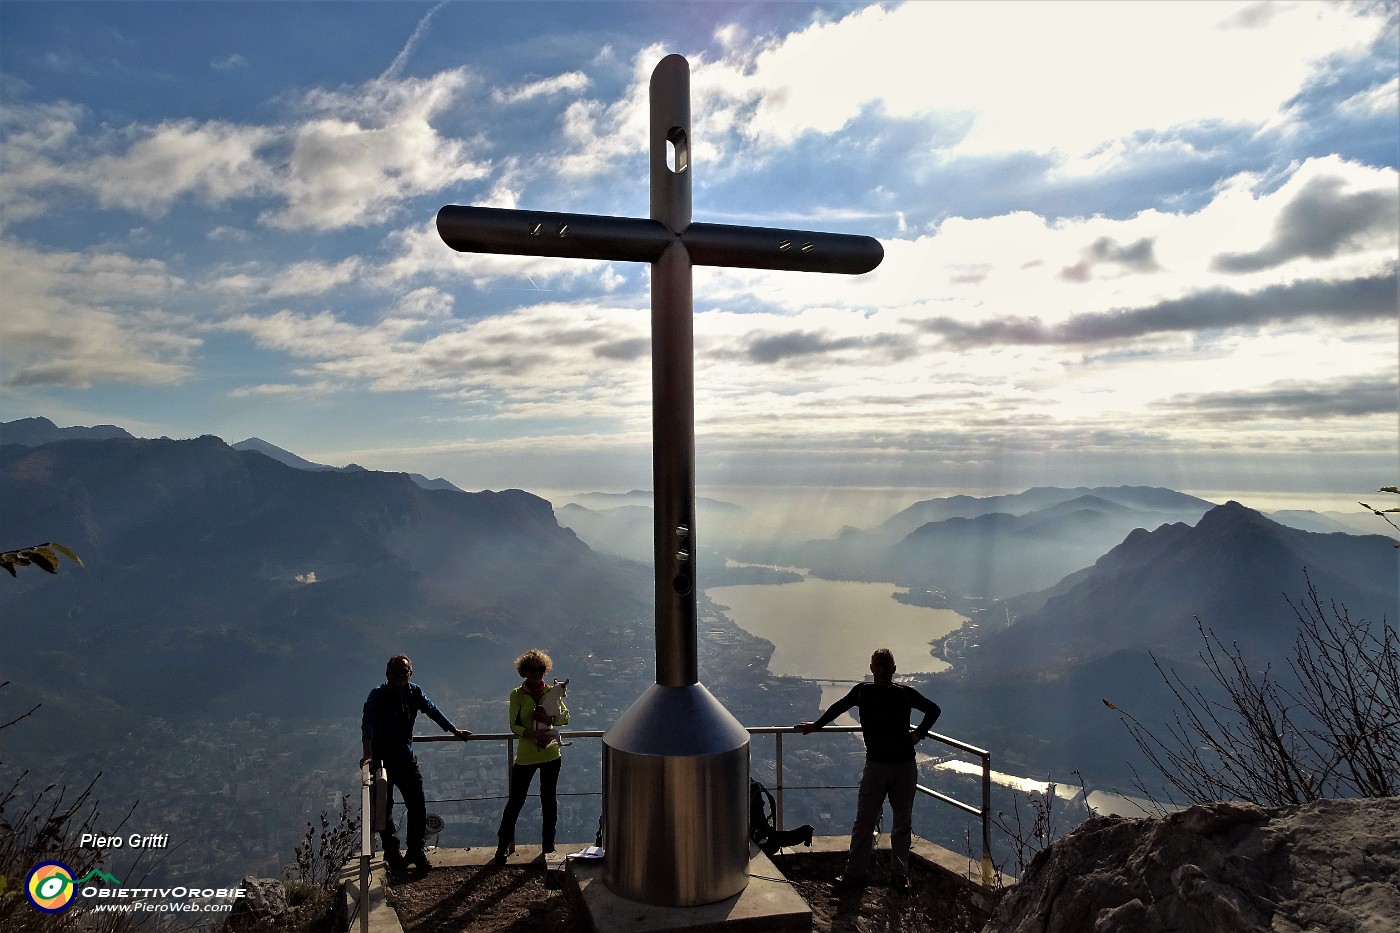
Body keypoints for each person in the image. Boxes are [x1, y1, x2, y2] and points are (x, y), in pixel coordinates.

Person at [795, 648, 941, 893]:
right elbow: (839, 708)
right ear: (872, 668)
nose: (882, 670)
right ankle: (856, 874)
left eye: (886, 665)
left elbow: (933, 710)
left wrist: (917, 735)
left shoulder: (902, 694)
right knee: (865, 821)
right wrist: (816, 725)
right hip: (879, 766)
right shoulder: (864, 692)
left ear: (893, 669)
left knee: (900, 823)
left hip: (902, 766)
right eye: (878, 665)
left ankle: (896, 875)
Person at [360, 654, 471, 872]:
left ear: (410, 673)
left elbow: (432, 710)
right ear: (387, 674)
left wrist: (454, 730)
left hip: (405, 759)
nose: (400, 675)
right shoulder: (378, 695)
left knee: (417, 806)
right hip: (380, 761)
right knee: (384, 807)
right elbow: (368, 723)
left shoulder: (414, 692)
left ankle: (415, 851)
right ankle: (392, 854)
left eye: (404, 671)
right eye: (395, 672)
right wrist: (368, 753)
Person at [494, 649, 570, 864]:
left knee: (549, 802)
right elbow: (513, 725)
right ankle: (502, 846)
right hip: (526, 755)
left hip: (551, 753)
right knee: (516, 802)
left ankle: (548, 847)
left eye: (540, 669)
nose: (536, 673)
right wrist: (532, 734)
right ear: (524, 671)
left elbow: (565, 718)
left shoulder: (552, 691)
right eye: (532, 669)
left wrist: (549, 718)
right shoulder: (517, 694)